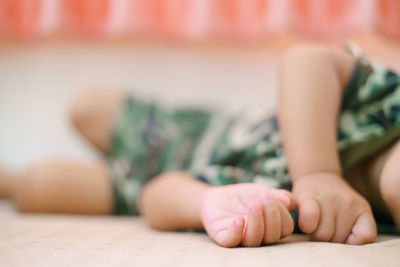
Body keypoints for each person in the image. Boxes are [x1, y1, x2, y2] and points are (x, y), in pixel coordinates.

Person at [0, 44, 399, 248]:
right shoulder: (387, 105)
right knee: (88, 106)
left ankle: (8, 180)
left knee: (38, 186)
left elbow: (156, 195)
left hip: (165, 180)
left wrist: (205, 203)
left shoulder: (338, 225)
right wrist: (318, 172)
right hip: (192, 127)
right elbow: (306, 60)